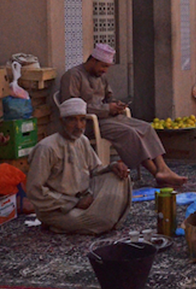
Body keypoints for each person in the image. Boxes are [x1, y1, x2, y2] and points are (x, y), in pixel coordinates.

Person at [59, 44, 187, 187]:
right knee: (130, 133)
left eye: (107, 67)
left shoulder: (101, 77)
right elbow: (72, 108)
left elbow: (109, 97)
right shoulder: (73, 76)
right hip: (88, 123)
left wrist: (116, 105)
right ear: (93, 60)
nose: (105, 70)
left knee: (146, 127)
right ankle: (155, 173)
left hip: (108, 118)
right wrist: (106, 108)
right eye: (103, 66)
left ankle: (163, 169)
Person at [26, 98, 131, 234]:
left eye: (82, 120)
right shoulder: (46, 148)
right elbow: (34, 190)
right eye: (72, 120)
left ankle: (89, 218)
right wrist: (73, 202)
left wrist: (112, 167)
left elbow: (95, 170)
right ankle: (57, 223)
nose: (79, 126)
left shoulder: (82, 140)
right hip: (57, 208)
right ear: (62, 121)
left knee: (121, 177)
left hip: (84, 197)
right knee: (103, 220)